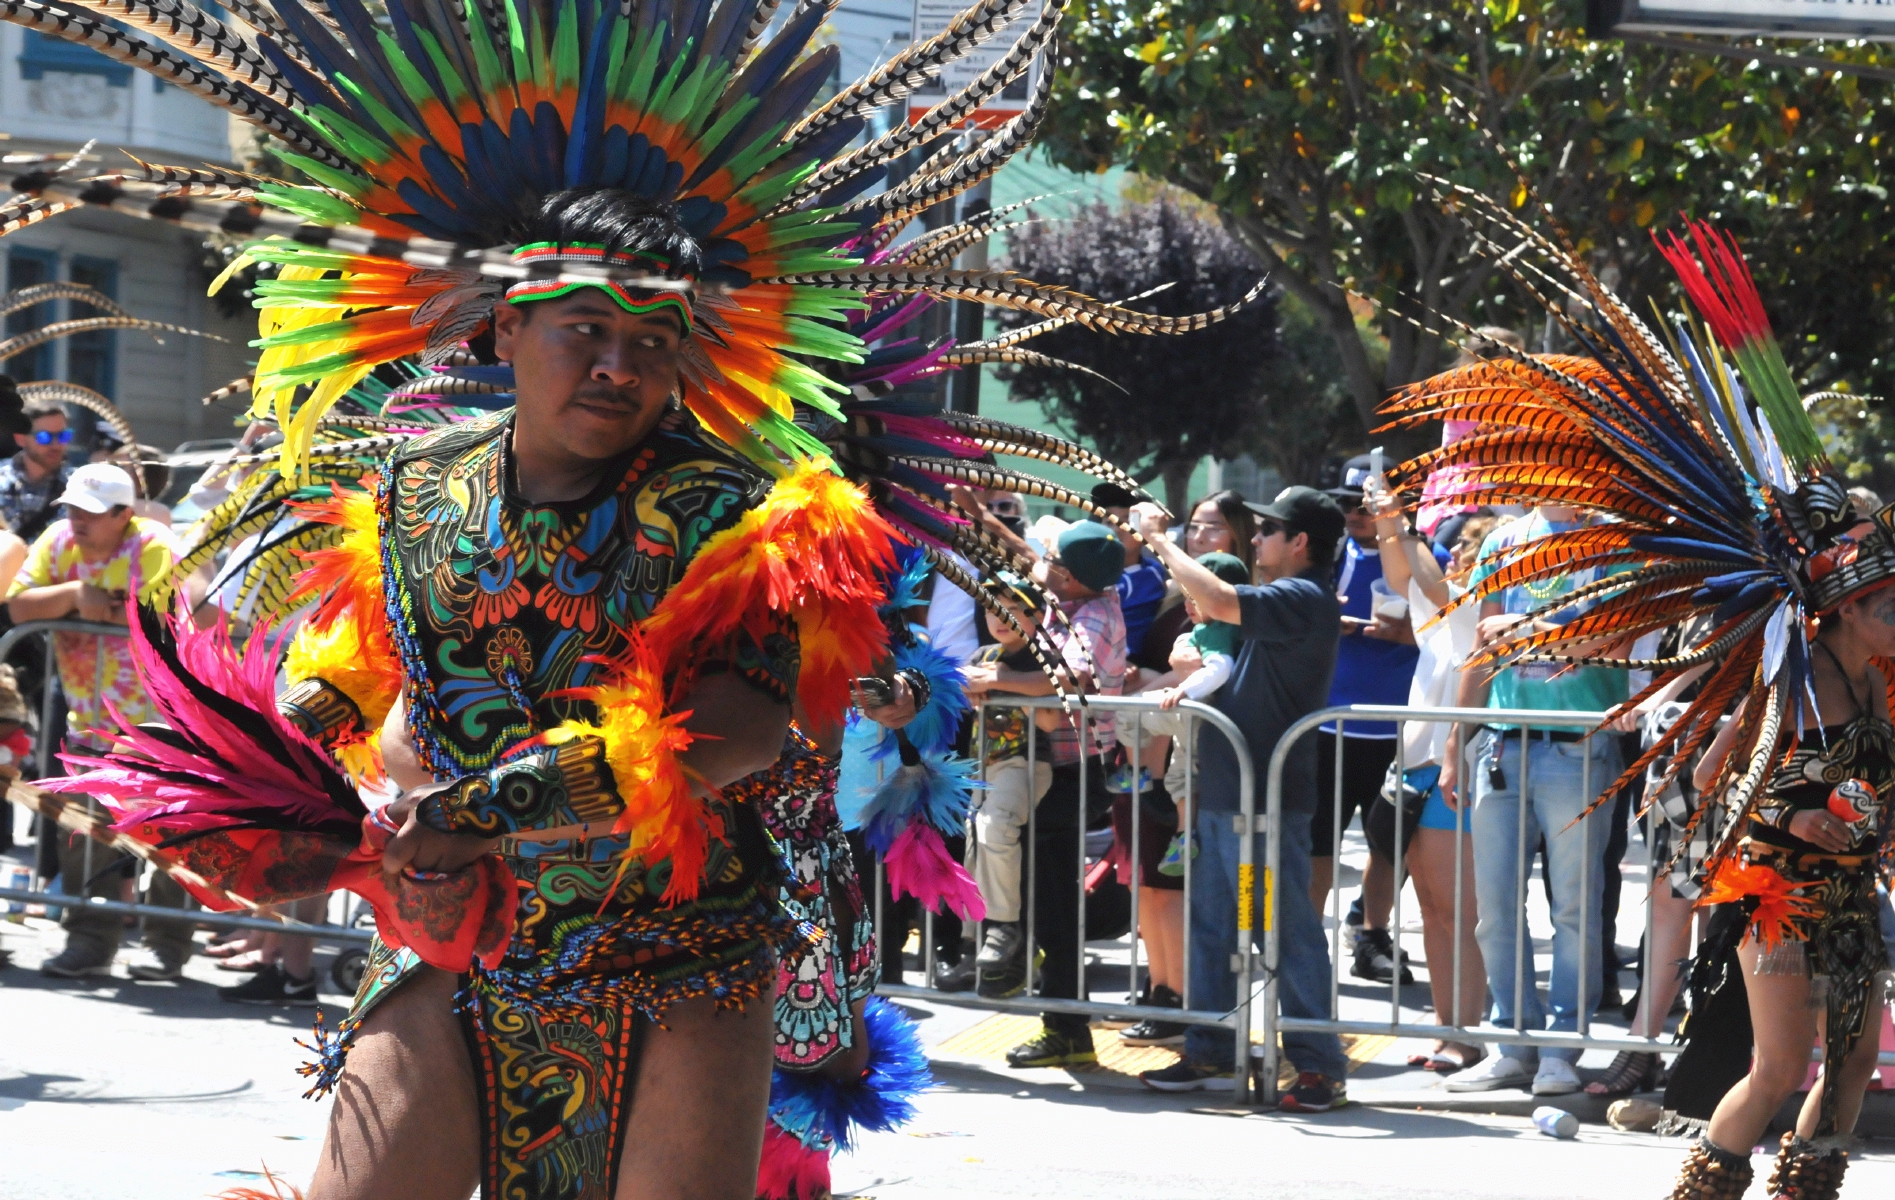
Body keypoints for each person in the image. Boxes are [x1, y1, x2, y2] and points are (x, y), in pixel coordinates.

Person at [1133, 487, 1352, 1113]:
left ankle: (1317, 1065)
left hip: (1266, 804)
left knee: (1280, 932)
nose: (1252, 540)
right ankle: (1209, 1048)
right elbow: (1219, 622)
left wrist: (1156, 537)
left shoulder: (1303, 598)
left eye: (1267, 531)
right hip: (1227, 794)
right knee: (1212, 928)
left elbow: (1217, 597)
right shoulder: (1285, 598)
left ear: (1300, 542)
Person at [1439, 501, 1627, 1098]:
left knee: (1575, 909)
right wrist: (1454, 744)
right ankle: (1512, 1044)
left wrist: (1525, 631)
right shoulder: (1502, 541)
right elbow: (1483, 647)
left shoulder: (1614, 540)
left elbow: (1614, 643)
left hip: (1580, 746)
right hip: (1499, 745)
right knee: (1494, 909)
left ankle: (1561, 1047)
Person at [11, 461, 189, 980]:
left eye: (89, 512)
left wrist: (100, 608)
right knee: (82, 833)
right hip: (87, 719)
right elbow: (19, 607)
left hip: (163, 722)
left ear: (122, 514)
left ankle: (167, 944)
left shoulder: (154, 543)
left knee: (169, 834)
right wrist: (71, 596)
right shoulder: (58, 540)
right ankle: (90, 940)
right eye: (70, 507)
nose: (75, 519)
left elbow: (157, 612)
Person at [1369, 486, 1494, 1074]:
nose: (1455, 561)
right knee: (1432, 912)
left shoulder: (1478, 610)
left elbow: (1428, 579)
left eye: (1466, 551)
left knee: (1458, 913)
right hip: (1420, 770)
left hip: (1458, 774)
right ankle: (1450, 1028)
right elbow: (1405, 577)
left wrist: (1403, 523)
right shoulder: (1445, 618)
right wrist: (1389, 526)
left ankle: (1466, 1036)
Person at [1001, 520, 1127, 1068]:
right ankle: (1057, 1013)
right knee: (1041, 895)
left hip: (1074, 771)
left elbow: (1070, 681)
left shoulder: (1095, 617)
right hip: (1045, 765)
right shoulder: (1069, 598)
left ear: (1071, 577)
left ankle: (1067, 1026)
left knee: (1055, 905)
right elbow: (1025, 556)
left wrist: (993, 681)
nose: (1042, 565)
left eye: (1052, 561)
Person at [1315, 454, 1441, 988]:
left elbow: (1446, 629)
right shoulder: (1325, 557)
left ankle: (1371, 935)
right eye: (1349, 505)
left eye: (1367, 505)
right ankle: (1304, 943)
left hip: (1398, 729)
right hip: (1328, 726)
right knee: (1319, 842)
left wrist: (1404, 635)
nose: (1356, 515)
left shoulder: (1424, 557)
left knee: (1391, 845)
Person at [962, 576, 1059, 988]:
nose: (1000, 618)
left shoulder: (1044, 654)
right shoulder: (983, 654)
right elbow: (964, 681)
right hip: (982, 766)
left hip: (1023, 761)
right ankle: (976, 933)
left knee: (996, 827)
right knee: (974, 839)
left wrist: (999, 682)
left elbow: (1054, 699)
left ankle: (1004, 925)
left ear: (1036, 617)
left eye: (1013, 610)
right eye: (991, 609)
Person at [0, 398, 75, 546]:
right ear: (20, 438)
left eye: (63, 436)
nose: (56, 445)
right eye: (44, 437)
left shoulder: (78, 485)